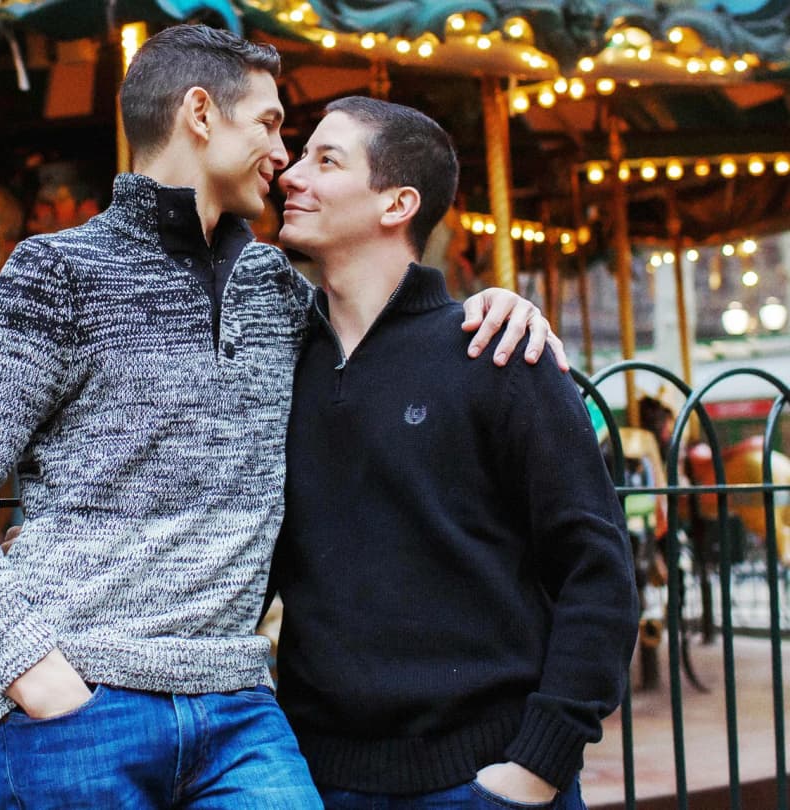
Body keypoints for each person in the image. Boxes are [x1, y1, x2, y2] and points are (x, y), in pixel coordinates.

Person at [0, 25, 562, 809]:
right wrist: (30, 667)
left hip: (240, 707)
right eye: (272, 125)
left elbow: (386, 330)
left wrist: (489, 309)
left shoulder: (276, 291)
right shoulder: (57, 273)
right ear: (201, 114)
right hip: (81, 695)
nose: (284, 156)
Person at [269, 96, 638, 809]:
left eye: (326, 159)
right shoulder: (276, 363)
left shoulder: (495, 352)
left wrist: (539, 763)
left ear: (398, 203)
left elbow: (596, 567)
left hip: (484, 775)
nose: (291, 173)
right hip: (318, 776)